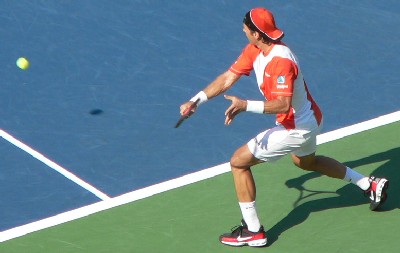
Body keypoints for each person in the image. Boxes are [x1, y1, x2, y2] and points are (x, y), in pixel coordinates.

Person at [179, 7, 389, 247]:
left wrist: (245, 105)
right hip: (310, 118)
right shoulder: (255, 50)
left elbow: (282, 104)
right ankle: (368, 184)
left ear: (257, 34)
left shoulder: (281, 62)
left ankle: (253, 230)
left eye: (246, 29)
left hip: (296, 127)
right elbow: (229, 76)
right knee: (305, 162)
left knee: (238, 162)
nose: (243, 31)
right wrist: (197, 100)